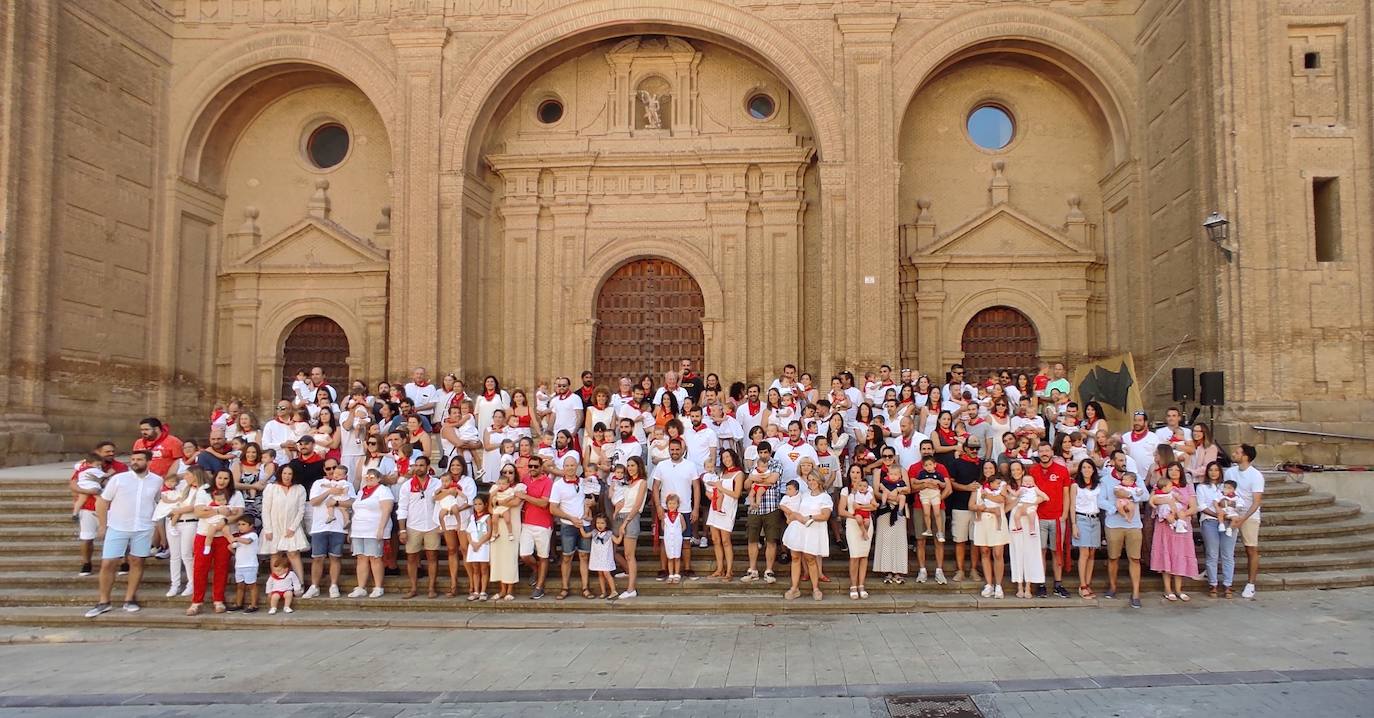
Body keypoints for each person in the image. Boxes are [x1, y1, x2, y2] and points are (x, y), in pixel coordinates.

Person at [84, 450, 162, 618]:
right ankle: (104, 601)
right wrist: (103, 526)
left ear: (148, 461)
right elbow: (103, 502)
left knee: (137, 561)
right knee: (108, 563)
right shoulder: (118, 479)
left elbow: (157, 502)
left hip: (143, 526)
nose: (135, 462)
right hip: (117, 526)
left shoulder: (157, 480)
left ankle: (130, 598)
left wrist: (156, 527)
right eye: (133, 459)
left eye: (139, 459)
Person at [187, 468, 244, 615]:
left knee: (221, 568)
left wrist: (224, 519)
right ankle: (196, 601)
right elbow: (199, 512)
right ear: (215, 478)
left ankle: (218, 600)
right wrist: (219, 511)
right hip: (204, 535)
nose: (222, 481)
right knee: (200, 568)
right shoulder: (204, 491)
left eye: (226, 478)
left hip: (224, 535)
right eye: (220, 478)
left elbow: (238, 513)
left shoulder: (235, 494)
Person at [71, 442, 127, 577]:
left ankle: (124, 562)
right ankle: (86, 563)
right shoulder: (86, 466)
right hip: (88, 506)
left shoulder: (120, 467)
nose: (111, 453)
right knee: (87, 537)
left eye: (113, 451)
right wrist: (87, 490)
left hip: (113, 508)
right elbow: (73, 483)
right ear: (98, 452)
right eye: (107, 451)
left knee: (119, 536)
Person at [1100, 455, 1149, 609]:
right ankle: (1113, 587)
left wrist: (1129, 495)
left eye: (1125, 461)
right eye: (1120, 460)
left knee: (1134, 558)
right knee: (1113, 557)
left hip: (1133, 525)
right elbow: (1101, 500)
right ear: (1113, 462)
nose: (1124, 463)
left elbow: (1146, 495)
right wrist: (1114, 509)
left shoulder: (1135, 478)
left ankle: (1135, 593)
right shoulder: (1106, 480)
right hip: (1114, 523)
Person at [1028, 443, 1072, 598]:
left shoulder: (1061, 470)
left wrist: (1065, 514)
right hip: (1039, 517)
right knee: (1040, 551)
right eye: (1041, 451)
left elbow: (1066, 494)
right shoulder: (1032, 471)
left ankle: (1058, 584)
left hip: (1057, 517)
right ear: (1038, 453)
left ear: (1052, 452)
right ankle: (1041, 584)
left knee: (1056, 551)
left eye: (1047, 451)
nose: (1044, 453)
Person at [652, 438, 699, 580]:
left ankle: (687, 569)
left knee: (685, 541)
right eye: (672, 449)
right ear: (669, 450)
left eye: (677, 449)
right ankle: (663, 569)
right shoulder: (661, 465)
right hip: (666, 510)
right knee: (663, 540)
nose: (675, 452)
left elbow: (696, 487)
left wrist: (695, 508)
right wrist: (659, 506)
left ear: (682, 450)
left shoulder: (690, 465)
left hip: (684, 509)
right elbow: (655, 487)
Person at [304, 462, 354, 599]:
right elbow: (314, 502)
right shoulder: (318, 483)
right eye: (329, 468)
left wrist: (337, 502)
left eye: (334, 468)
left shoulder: (346, 483)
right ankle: (314, 586)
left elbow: (352, 502)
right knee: (317, 558)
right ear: (324, 470)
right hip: (320, 526)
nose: (332, 471)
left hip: (338, 526)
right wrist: (329, 492)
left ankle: (334, 585)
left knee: (335, 557)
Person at [1150, 462, 1199, 601]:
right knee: (1167, 554)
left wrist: (1182, 513)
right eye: (1171, 469)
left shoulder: (1187, 487)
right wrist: (1169, 501)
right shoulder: (1161, 484)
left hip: (1182, 523)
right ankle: (1167, 589)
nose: (1174, 472)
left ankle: (1179, 589)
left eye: (1177, 470)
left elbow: (1193, 507)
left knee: (1180, 555)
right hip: (1165, 525)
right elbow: (1152, 500)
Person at [782, 472, 833, 601]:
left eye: (814, 479)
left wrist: (809, 517)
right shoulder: (804, 495)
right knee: (795, 557)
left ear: (819, 480)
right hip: (799, 528)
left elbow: (825, 516)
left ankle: (815, 588)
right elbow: (795, 508)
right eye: (809, 480)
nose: (811, 482)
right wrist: (793, 516)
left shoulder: (825, 497)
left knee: (810, 558)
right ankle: (794, 588)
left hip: (813, 529)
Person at [397, 458, 442, 599]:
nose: (418, 468)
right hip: (413, 525)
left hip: (432, 524)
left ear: (428, 467)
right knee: (411, 558)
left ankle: (431, 588)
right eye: (416, 465)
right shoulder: (407, 485)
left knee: (432, 556)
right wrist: (402, 529)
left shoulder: (437, 483)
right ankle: (413, 587)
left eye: (421, 465)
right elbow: (402, 508)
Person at [740, 442, 783, 584]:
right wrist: (752, 478)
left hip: (771, 506)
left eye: (766, 452)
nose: (763, 455)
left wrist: (755, 478)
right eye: (761, 452)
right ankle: (752, 569)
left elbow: (773, 479)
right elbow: (746, 485)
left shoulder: (776, 464)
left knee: (771, 540)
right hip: (754, 508)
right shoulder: (754, 465)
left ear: (770, 452)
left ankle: (769, 570)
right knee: (752, 539)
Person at [1225, 444, 1265, 599]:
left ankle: (1251, 584)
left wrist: (1243, 518)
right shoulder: (1230, 471)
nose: (1234, 454)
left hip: (1249, 515)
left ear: (1246, 456)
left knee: (1251, 548)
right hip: (1231, 513)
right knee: (1224, 546)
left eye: (1237, 452)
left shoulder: (1256, 476)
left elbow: (1256, 502)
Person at [348, 469, 394, 598]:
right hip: (359, 529)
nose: (369, 478)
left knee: (375, 557)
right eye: (367, 476)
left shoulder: (383, 491)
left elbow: (386, 510)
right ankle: (361, 587)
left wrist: (381, 529)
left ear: (379, 479)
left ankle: (378, 587)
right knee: (361, 557)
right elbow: (355, 511)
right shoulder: (361, 491)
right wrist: (351, 529)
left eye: (372, 477)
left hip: (373, 529)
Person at [259, 465, 308, 585]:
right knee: (275, 554)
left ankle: (299, 583)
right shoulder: (271, 488)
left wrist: (293, 528)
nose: (287, 476)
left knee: (293, 554)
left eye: (289, 474)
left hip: (292, 526)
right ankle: (277, 584)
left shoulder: (299, 489)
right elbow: (265, 510)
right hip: (274, 526)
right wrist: (268, 529)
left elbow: (301, 510)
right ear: (280, 474)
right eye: (284, 473)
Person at [1195, 461, 1238, 598]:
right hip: (1210, 521)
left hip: (1228, 521)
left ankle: (1228, 584)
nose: (1213, 473)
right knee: (1212, 553)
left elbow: (1236, 501)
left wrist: (1228, 514)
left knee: (1228, 554)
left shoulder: (1226, 487)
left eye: (1216, 470)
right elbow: (1201, 506)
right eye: (1211, 470)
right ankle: (1213, 584)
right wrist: (1217, 514)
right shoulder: (1202, 487)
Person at [549, 459, 591, 599]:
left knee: (584, 556)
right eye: (567, 466)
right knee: (567, 557)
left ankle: (585, 587)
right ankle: (564, 587)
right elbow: (553, 508)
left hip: (584, 524)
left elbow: (592, 500)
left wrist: (592, 504)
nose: (570, 468)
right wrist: (570, 518)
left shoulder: (585, 482)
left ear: (577, 467)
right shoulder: (558, 485)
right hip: (568, 525)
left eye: (572, 465)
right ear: (563, 467)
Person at [870, 446, 910, 584]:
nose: (887, 459)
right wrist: (889, 497)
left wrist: (897, 491)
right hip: (885, 507)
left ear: (894, 457)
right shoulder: (878, 471)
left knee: (899, 539)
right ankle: (886, 570)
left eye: (890, 456)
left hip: (899, 508)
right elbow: (876, 491)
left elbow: (908, 489)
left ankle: (898, 570)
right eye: (885, 456)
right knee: (885, 539)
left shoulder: (902, 470)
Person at [971, 461, 1010, 599]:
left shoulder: (1002, 484)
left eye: (991, 468)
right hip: (982, 521)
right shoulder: (978, 486)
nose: (988, 470)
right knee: (985, 551)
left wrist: (987, 497)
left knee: (998, 553)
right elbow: (971, 505)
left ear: (995, 469)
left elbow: (1001, 499)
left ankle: (998, 585)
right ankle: (989, 584)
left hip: (997, 522)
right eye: (986, 468)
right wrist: (981, 508)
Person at [1006, 464, 1046, 598]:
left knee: (1030, 551)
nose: (1015, 472)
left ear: (1023, 471)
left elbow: (1041, 498)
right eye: (1013, 470)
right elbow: (1006, 508)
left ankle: (1028, 586)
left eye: (1018, 469)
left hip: (1030, 519)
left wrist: (1028, 504)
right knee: (1017, 550)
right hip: (1016, 519)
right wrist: (1018, 500)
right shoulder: (1009, 488)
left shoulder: (1032, 485)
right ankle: (1019, 586)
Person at [518, 457, 555, 599]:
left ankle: (540, 587)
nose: (532, 469)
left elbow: (543, 503)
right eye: (530, 466)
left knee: (543, 556)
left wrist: (525, 497)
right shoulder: (525, 479)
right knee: (524, 554)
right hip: (527, 522)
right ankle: (537, 569)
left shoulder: (548, 482)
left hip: (543, 524)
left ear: (541, 467)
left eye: (535, 466)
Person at [613, 457, 650, 599]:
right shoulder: (627, 483)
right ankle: (628, 571)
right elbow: (623, 501)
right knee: (613, 549)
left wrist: (625, 523)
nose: (630, 468)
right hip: (620, 516)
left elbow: (636, 505)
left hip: (631, 518)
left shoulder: (642, 482)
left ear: (639, 466)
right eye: (628, 465)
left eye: (633, 465)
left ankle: (631, 589)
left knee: (629, 554)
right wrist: (616, 513)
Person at [838, 466, 876, 599]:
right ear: (849, 474)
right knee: (854, 555)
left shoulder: (868, 488)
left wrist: (861, 508)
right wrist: (855, 516)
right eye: (853, 472)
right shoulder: (845, 490)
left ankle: (861, 585)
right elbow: (841, 510)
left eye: (858, 472)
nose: (855, 475)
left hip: (866, 522)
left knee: (864, 555)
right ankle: (853, 585)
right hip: (853, 523)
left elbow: (873, 505)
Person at [705, 448, 743, 579]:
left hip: (727, 509)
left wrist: (721, 488)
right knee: (715, 540)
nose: (726, 460)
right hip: (715, 507)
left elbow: (737, 494)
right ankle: (719, 569)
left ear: (733, 457)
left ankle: (729, 571)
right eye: (723, 458)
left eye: (728, 457)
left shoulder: (738, 474)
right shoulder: (721, 473)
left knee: (725, 540)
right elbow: (714, 488)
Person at [488, 465, 523, 601]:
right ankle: (502, 589)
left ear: (515, 474)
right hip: (498, 525)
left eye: (511, 472)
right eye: (504, 472)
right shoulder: (495, 488)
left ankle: (510, 590)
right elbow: (490, 508)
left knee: (510, 558)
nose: (508, 474)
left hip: (512, 526)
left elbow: (515, 503)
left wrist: (500, 503)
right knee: (498, 558)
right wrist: (494, 500)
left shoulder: (519, 488)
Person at [1069, 458, 1102, 598]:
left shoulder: (1098, 485)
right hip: (1082, 518)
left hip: (1095, 519)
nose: (1087, 470)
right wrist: (1074, 524)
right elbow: (1072, 506)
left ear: (1093, 469)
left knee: (1092, 553)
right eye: (1084, 467)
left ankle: (1088, 583)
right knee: (1084, 553)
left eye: (1089, 467)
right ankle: (1082, 585)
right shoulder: (1076, 486)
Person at [464, 494, 492, 601]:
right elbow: (468, 532)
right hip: (473, 546)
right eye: (475, 504)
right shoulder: (472, 517)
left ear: (485, 505)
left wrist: (479, 543)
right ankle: (476, 591)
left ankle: (483, 591)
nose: (477, 506)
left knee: (484, 569)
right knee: (475, 569)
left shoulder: (487, 517)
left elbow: (488, 533)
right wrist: (472, 543)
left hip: (483, 545)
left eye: (480, 504)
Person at [229, 517, 260, 613]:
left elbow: (248, 542)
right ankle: (238, 604)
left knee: (252, 585)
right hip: (239, 565)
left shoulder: (253, 535)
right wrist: (232, 548)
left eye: (243, 524)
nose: (240, 527)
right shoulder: (240, 538)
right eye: (239, 525)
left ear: (251, 526)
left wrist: (237, 538)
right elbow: (232, 547)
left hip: (250, 565)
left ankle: (254, 605)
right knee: (240, 586)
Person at [586, 514, 618, 599]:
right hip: (597, 557)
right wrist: (580, 527)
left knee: (606, 573)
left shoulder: (609, 534)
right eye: (598, 523)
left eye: (602, 523)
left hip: (606, 557)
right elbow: (585, 535)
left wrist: (621, 534)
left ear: (606, 524)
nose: (599, 525)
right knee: (600, 573)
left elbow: (617, 541)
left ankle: (613, 591)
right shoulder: (594, 533)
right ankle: (603, 592)